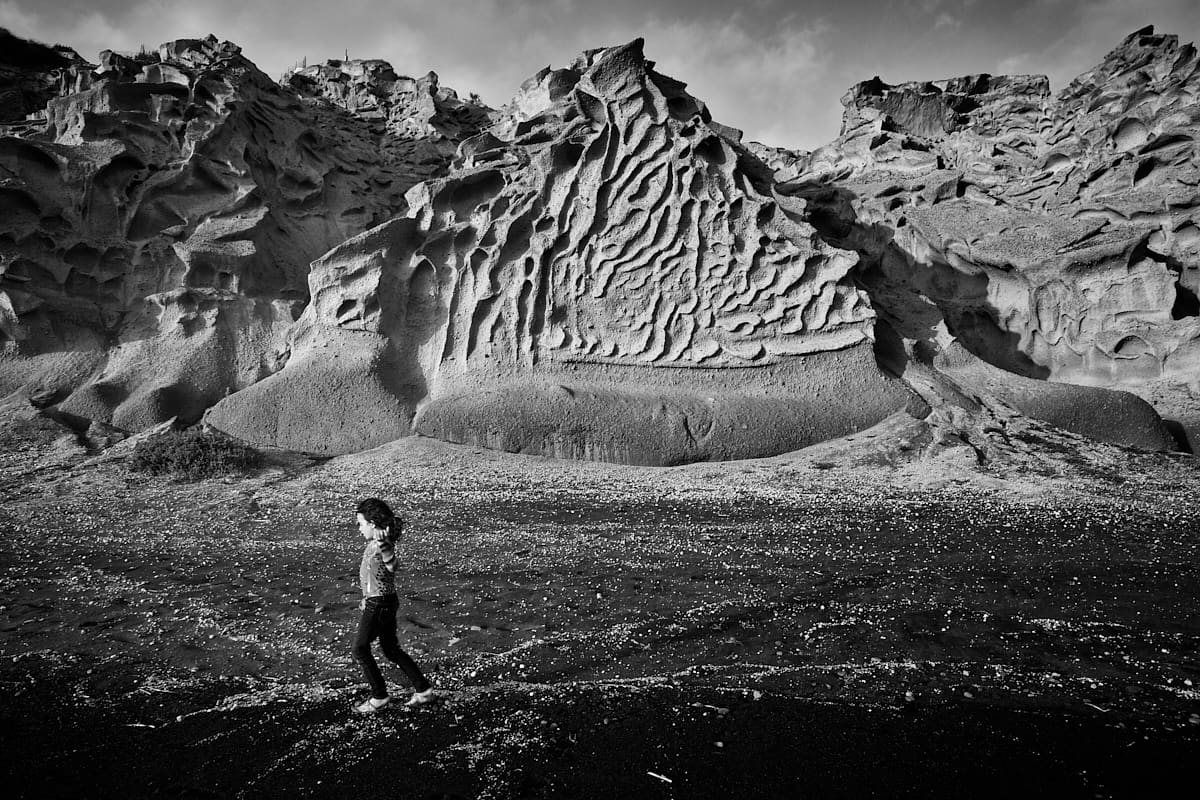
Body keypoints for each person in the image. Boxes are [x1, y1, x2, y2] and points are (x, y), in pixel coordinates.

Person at [350, 497, 434, 713]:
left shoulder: (382, 544)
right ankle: (423, 690)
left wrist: (384, 545)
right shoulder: (374, 543)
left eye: (361, 524)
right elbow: (373, 576)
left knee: (360, 648)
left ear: (372, 524)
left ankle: (379, 696)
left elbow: (392, 565)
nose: (359, 529)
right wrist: (365, 596)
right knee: (390, 649)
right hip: (381, 600)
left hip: (379, 604)